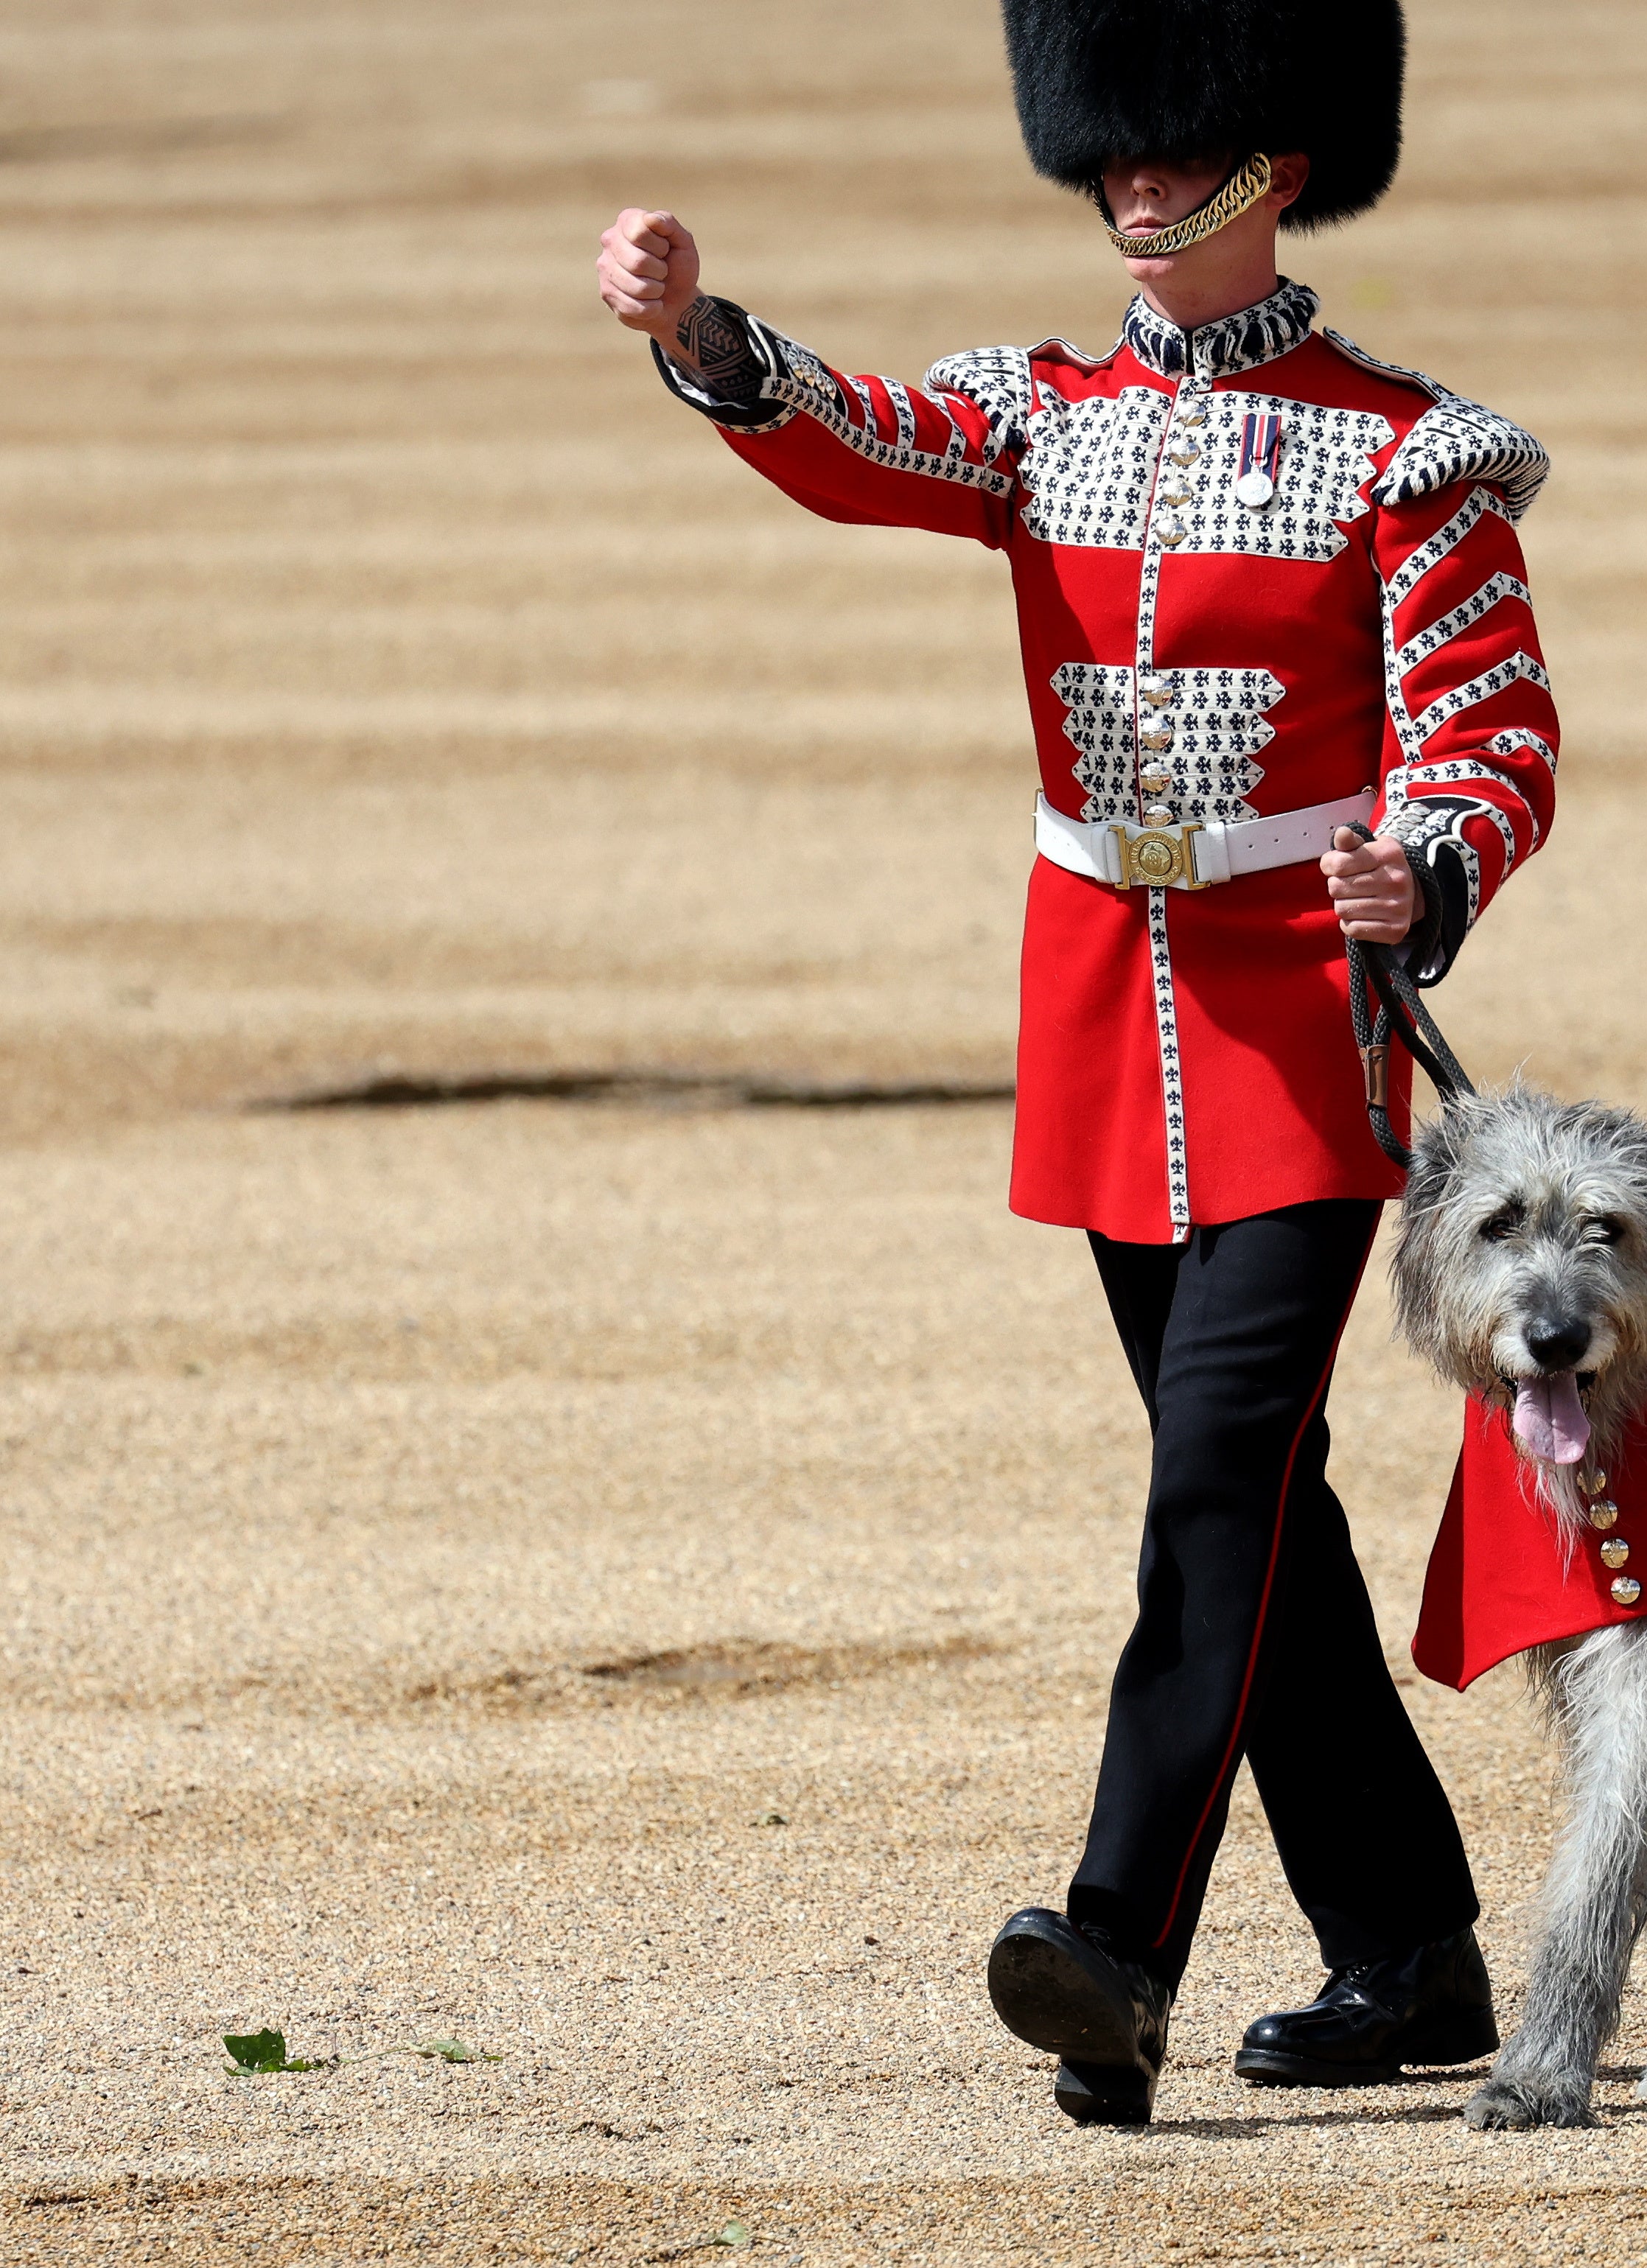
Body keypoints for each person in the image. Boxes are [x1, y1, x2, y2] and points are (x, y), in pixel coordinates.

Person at [593, 0, 1557, 2129]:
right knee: (1262, 1509)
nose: (1132, 175)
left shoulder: (1400, 448)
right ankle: (1406, 1951)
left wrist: (1434, 862)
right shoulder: (1040, 415)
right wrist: (710, 337)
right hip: (1111, 1018)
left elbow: (1489, 728)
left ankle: (1114, 1945)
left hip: (1304, 1016)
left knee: (1214, 1480)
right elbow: (859, 436)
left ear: (1273, 164)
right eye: (1113, 143)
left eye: (1175, 141)